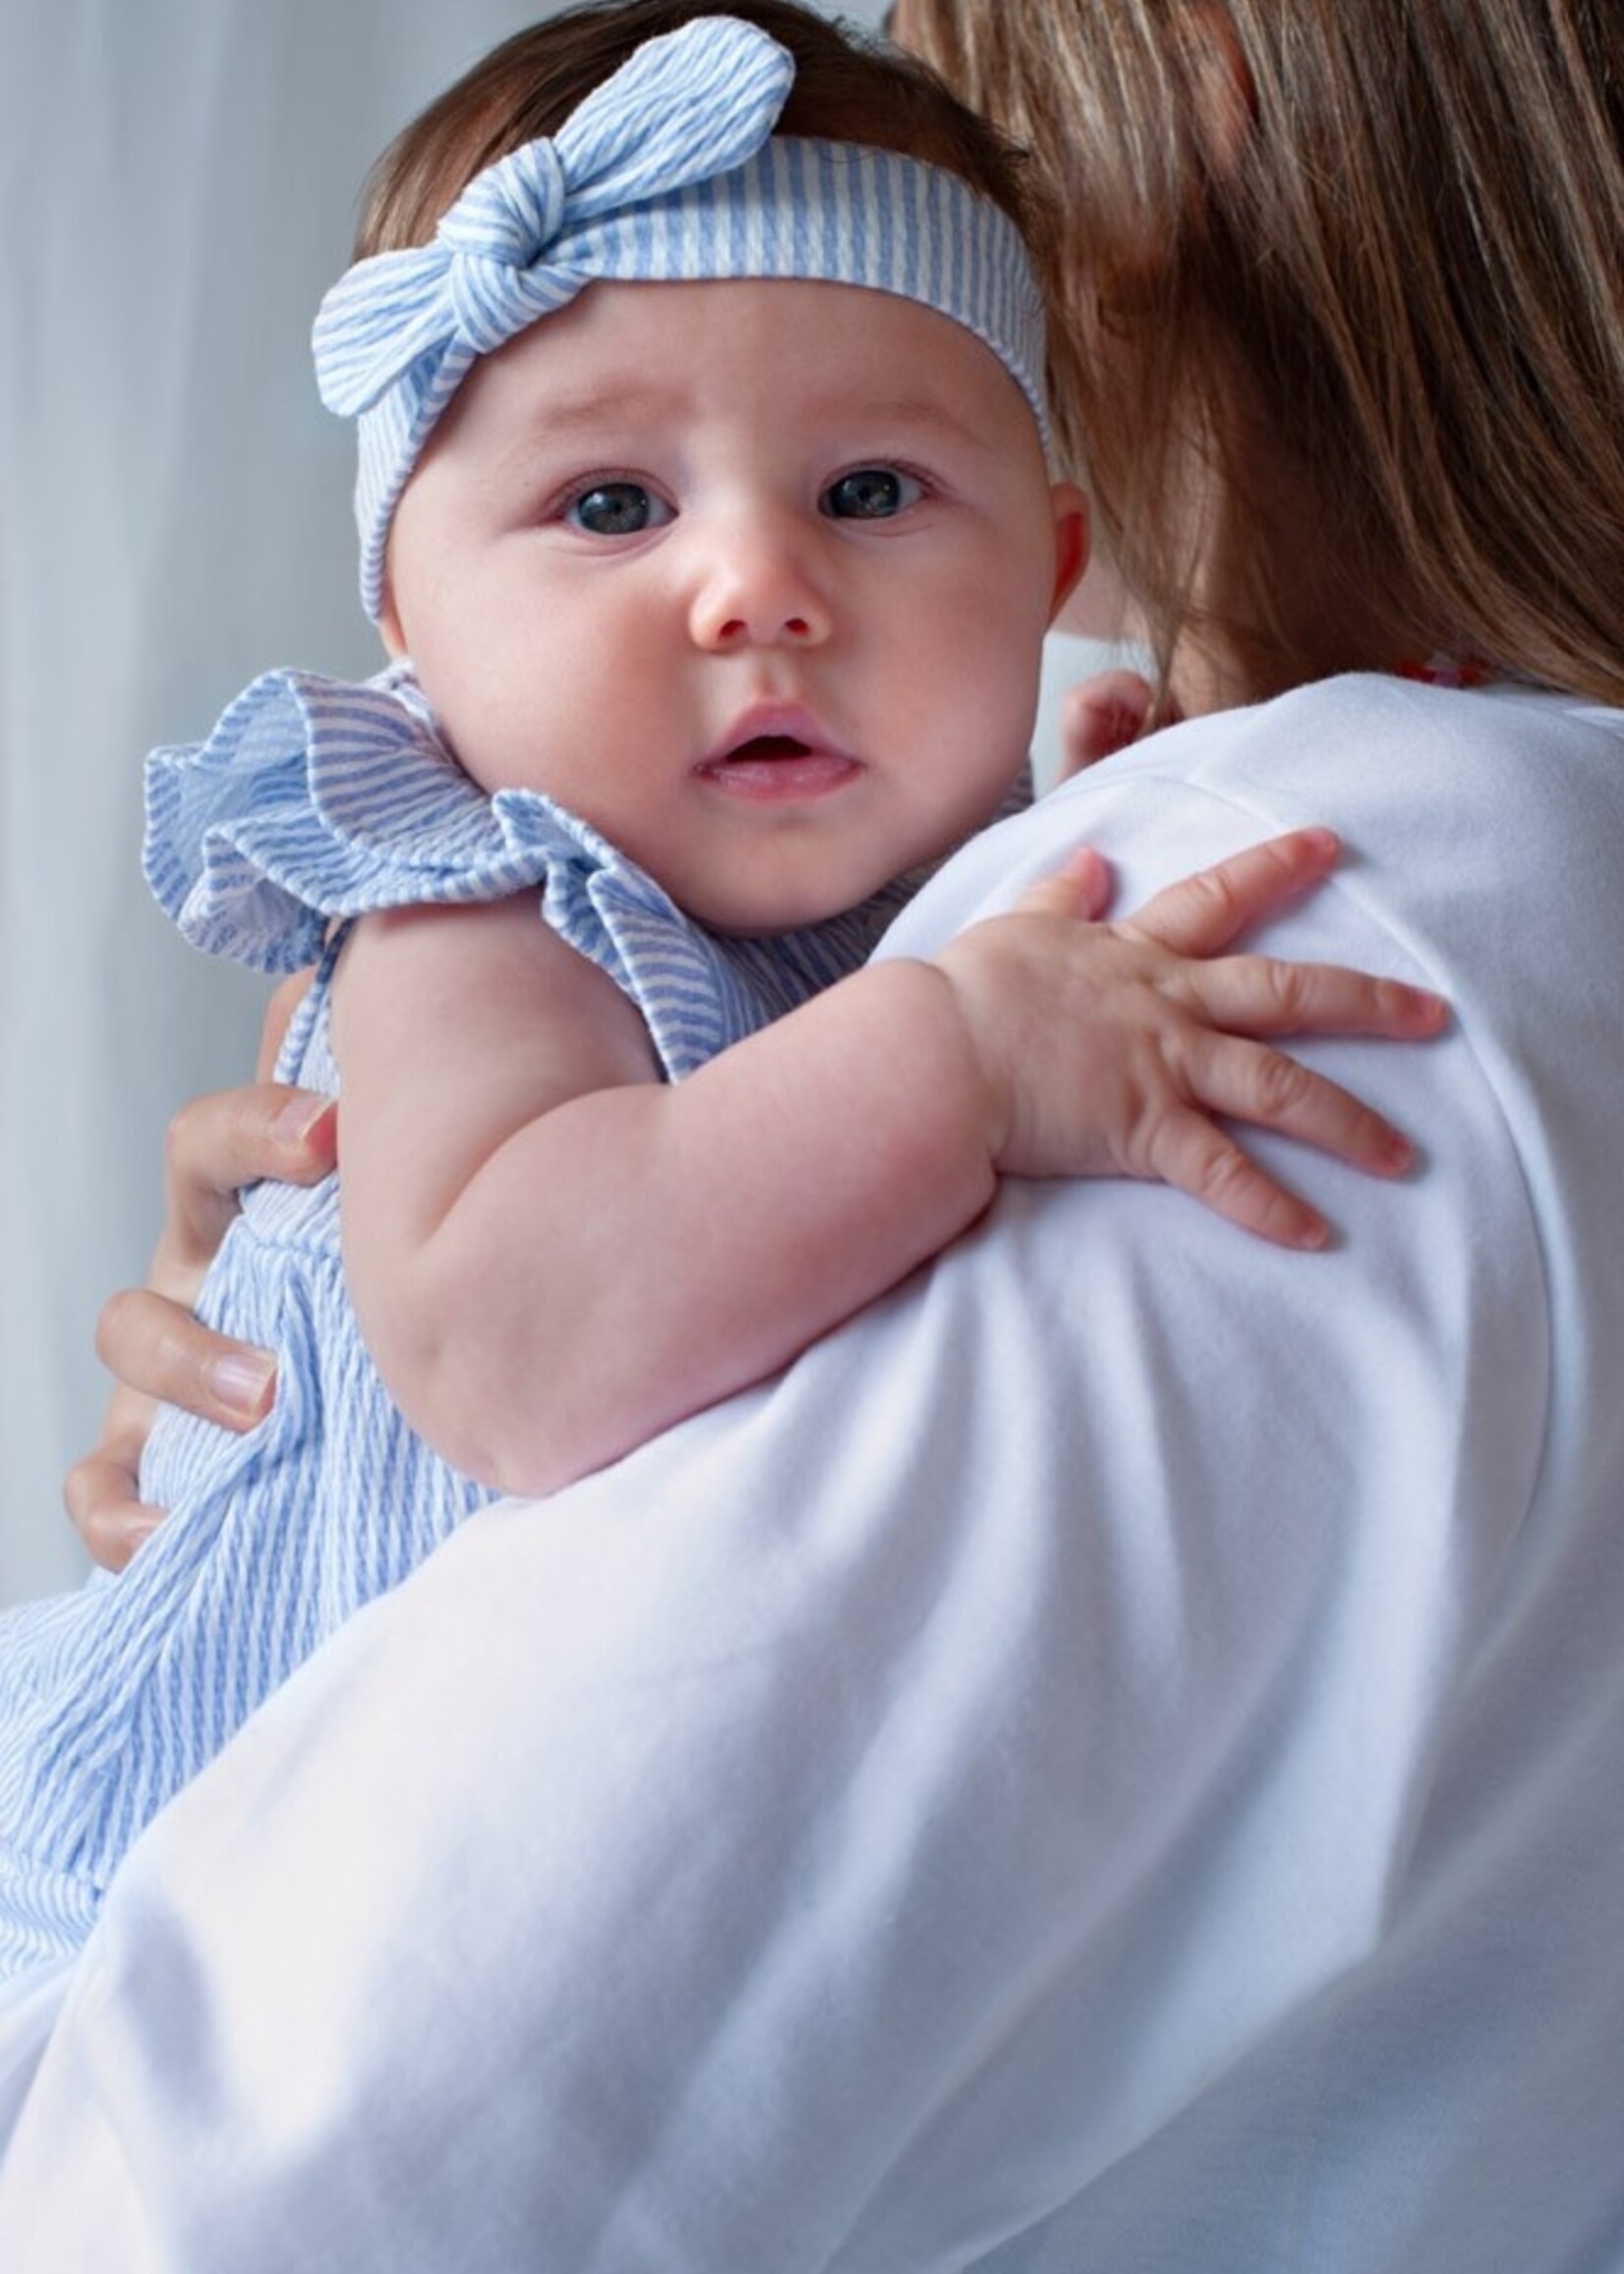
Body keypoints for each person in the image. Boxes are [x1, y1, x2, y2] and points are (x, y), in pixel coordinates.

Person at [10, 0, 1624, 2263]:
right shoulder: (482, 891)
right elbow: (535, 1335)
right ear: (404, 604)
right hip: (142, 1885)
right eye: (605, 504)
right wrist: (964, 1051)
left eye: (874, 493)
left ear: (1047, 549)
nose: (754, 581)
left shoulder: (1240, 850)